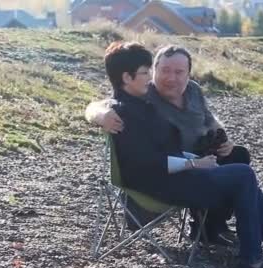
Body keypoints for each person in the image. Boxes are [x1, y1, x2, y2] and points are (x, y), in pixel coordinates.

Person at [103, 41, 263, 268]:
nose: (151, 77)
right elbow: (145, 162)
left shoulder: (141, 104)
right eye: (146, 72)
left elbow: (165, 148)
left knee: (241, 168)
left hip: (173, 175)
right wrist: (194, 165)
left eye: (178, 72)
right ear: (127, 77)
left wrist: (202, 157)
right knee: (243, 177)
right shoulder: (125, 112)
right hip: (159, 184)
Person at [86, 45, 247, 244]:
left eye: (179, 72)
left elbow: (209, 119)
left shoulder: (193, 90)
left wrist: (224, 139)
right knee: (240, 177)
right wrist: (100, 115)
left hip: (202, 153)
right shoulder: (145, 92)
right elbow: (101, 103)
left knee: (238, 156)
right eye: (165, 71)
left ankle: (210, 226)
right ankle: (243, 243)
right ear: (155, 70)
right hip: (173, 163)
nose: (172, 78)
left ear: (189, 74)